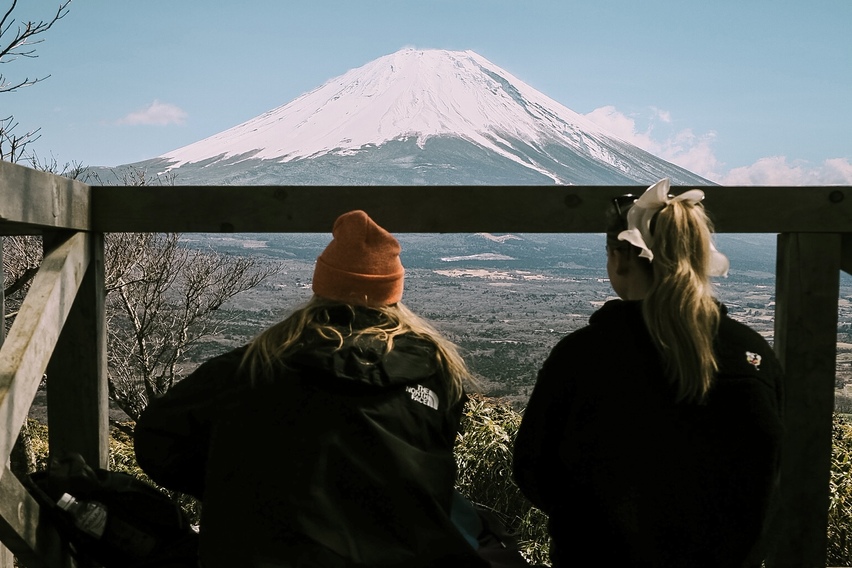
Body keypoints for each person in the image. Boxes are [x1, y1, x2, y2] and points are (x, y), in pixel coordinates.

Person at [134, 210, 489, 568]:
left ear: (322, 286)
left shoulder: (250, 367)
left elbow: (157, 442)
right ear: (393, 292)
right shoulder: (437, 372)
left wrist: (238, 482)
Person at [512, 179, 784, 567]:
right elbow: (773, 474)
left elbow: (533, 469)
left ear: (621, 258)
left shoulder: (584, 356)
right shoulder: (751, 355)